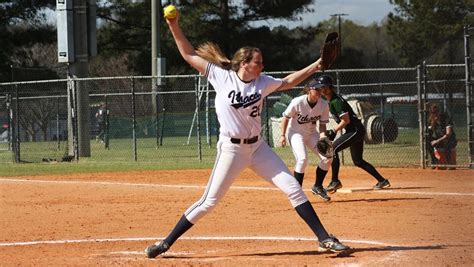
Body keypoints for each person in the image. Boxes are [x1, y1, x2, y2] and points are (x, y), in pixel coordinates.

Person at [145, 11, 350, 258]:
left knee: (294, 189)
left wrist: (316, 65)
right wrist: (173, 24)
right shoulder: (221, 77)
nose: (262, 66)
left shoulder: (262, 82)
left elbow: (289, 81)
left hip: (259, 149)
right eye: (258, 62)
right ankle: (166, 242)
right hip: (231, 150)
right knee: (209, 202)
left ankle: (324, 238)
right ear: (245, 64)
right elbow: (188, 54)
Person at [315, 74, 391, 193]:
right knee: (358, 161)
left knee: (332, 149)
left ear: (330, 87)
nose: (322, 89)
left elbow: (346, 120)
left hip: (355, 130)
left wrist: (334, 130)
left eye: (325, 86)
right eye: (320, 87)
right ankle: (382, 181)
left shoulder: (336, 101)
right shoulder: (331, 101)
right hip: (355, 130)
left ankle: (335, 181)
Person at [279, 79, 333, 202]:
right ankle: (297, 192)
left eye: (321, 89)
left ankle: (318, 186)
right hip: (296, 133)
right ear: (309, 90)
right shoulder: (297, 102)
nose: (320, 91)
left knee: (328, 157)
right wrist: (282, 135)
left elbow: (323, 125)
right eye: (317, 89)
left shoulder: (323, 105)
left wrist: (323, 137)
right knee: (302, 159)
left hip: (312, 133)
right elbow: (286, 118)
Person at [426, 103, 457, 169]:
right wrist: (429, 137)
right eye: (433, 112)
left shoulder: (446, 119)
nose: (435, 114)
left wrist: (437, 141)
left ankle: (449, 164)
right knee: (427, 141)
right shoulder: (431, 121)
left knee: (446, 143)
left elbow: (448, 134)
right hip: (440, 140)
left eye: (436, 112)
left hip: (450, 140)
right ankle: (434, 161)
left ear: (439, 112)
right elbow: (429, 134)